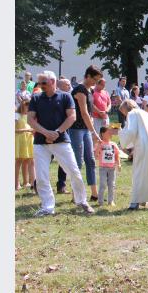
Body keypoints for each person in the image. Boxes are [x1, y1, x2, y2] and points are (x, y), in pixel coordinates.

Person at [27, 70, 95, 216]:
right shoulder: (36, 98)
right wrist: (46, 133)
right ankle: (47, 207)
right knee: (41, 176)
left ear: (52, 82)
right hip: (40, 143)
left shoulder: (65, 96)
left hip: (62, 141)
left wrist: (57, 132)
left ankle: (81, 201)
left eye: (43, 83)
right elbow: (30, 120)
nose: (41, 85)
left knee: (74, 171)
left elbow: (72, 117)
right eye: (40, 83)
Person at [70, 65, 104, 201]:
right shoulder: (80, 90)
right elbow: (84, 113)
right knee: (78, 161)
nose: (95, 83)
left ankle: (94, 193)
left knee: (90, 160)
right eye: (94, 79)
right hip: (76, 129)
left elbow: (89, 113)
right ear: (88, 76)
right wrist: (94, 133)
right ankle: (75, 195)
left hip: (85, 129)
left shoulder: (89, 90)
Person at [93, 126, 121, 207]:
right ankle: (100, 201)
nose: (110, 133)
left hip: (112, 168)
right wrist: (98, 146)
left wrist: (118, 164)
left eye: (110, 132)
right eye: (108, 132)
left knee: (111, 184)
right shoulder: (100, 144)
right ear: (102, 134)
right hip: (103, 168)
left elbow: (117, 155)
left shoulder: (113, 144)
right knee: (102, 184)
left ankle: (111, 201)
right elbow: (96, 155)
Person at [15, 98, 35, 192]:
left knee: (28, 160)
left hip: (29, 139)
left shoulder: (29, 116)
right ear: (23, 106)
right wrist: (27, 130)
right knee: (19, 161)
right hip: (20, 140)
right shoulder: (17, 115)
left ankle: (27, 182)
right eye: (26, 106)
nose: (28, 109)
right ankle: (16, 183)